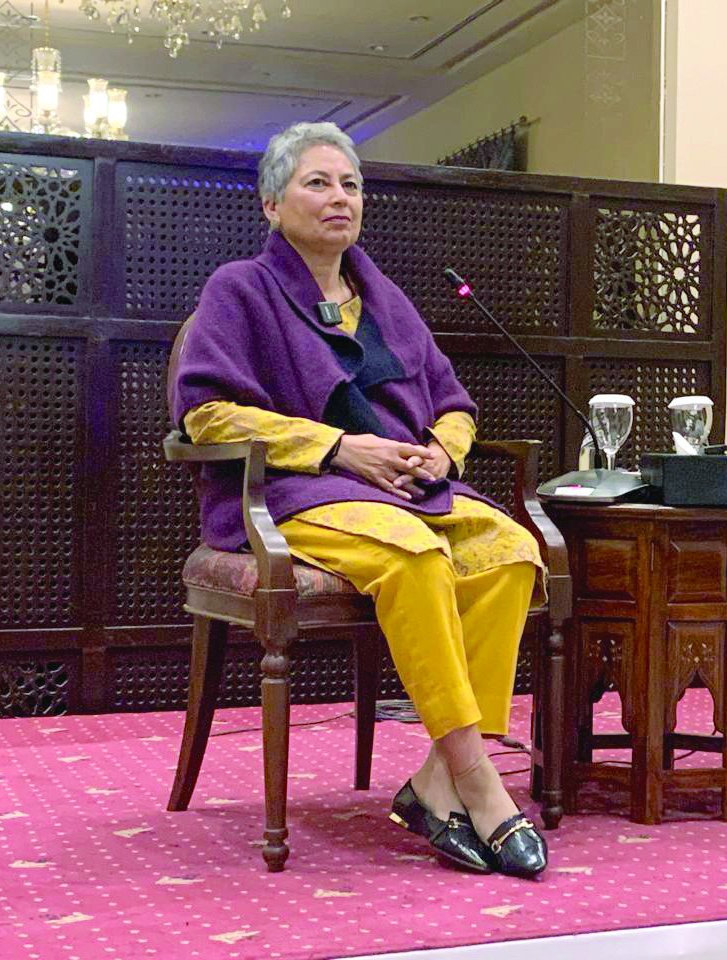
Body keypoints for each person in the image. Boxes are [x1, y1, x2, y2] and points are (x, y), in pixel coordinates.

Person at [171, 121, 547, 877]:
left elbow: (456, 405)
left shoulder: (386, 298)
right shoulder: (238, 289)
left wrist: (441, 450)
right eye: (318, 183)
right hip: (300, 491)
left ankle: (434, 780)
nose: (339, 197)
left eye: (350, 184)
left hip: (412, 489)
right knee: (415, 559)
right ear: (272, 204)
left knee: (512, 552)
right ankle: (477, 780)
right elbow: (207, 414)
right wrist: (339, 446)